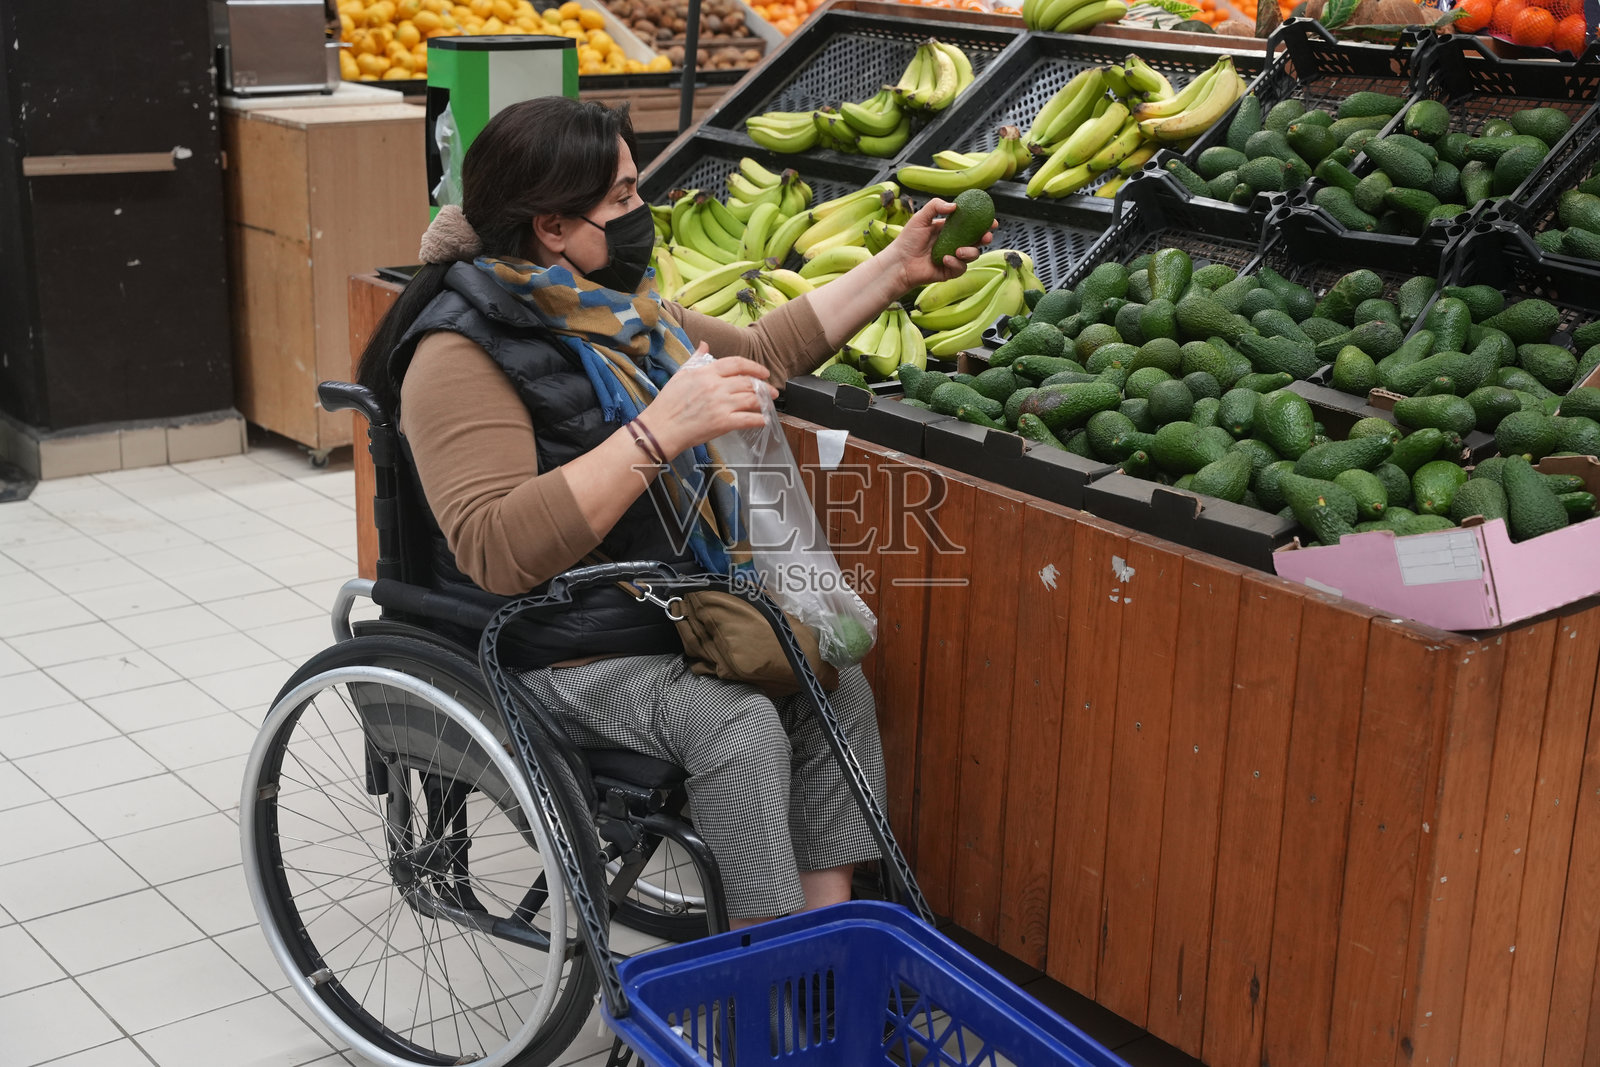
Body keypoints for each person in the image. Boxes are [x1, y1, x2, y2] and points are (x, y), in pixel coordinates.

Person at [356, 95, 993, 927]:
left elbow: (760, 353)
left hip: (664, 609)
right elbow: (496, 548)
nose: (640, 216)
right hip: (548, 644)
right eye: (620, 199)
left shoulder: (619, 314)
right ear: (551, 225)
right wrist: (657, 434)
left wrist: (895, 269)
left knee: (835, 688)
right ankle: (765, 973)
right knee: (735, 723)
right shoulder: (456, 351)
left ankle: (824, 943)